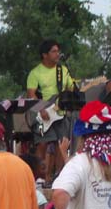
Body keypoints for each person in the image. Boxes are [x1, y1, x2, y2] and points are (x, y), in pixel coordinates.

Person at [26, 39, 76, 179]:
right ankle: (37, 176)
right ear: (45, 55)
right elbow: (31, 94)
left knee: (62, 144)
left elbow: (71, 88)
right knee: (42, 143)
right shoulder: (35, 73)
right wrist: (41, 109)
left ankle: (59, 176)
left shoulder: (63, 70)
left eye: (58, 51)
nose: (57, 54)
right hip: (41, 114)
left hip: (60, 113)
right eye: (54, 51)